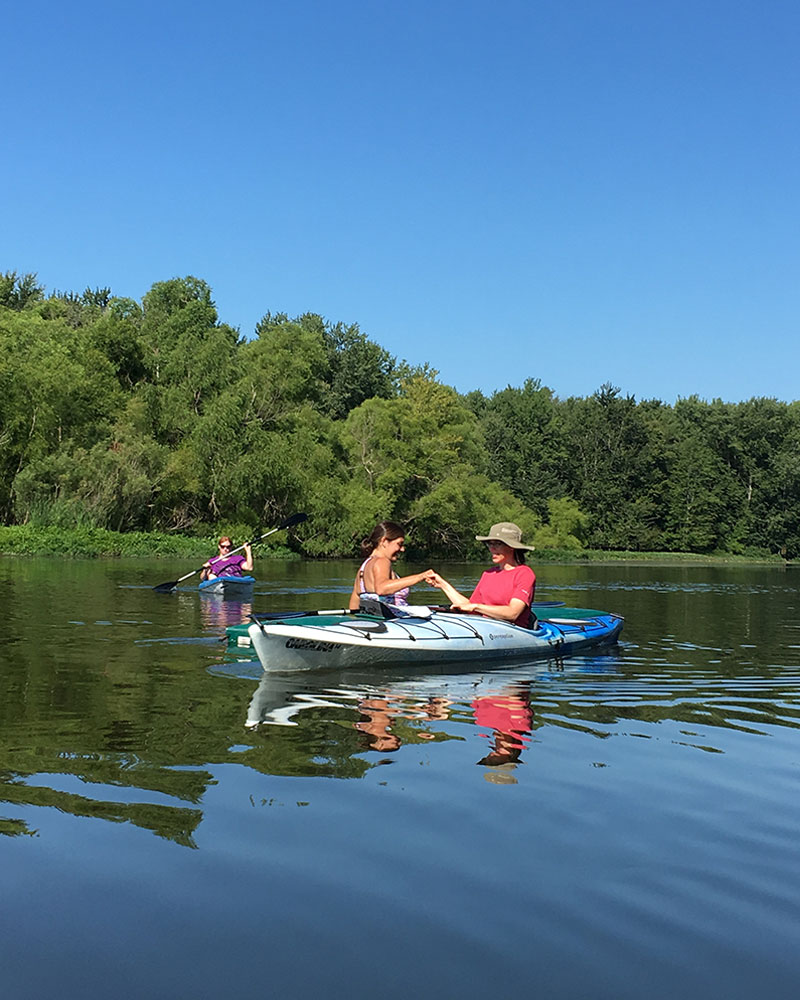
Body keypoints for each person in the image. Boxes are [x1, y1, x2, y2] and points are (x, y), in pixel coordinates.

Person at [429, 521, 536, 627]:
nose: (492, 548)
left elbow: (513, 613)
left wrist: (476, 607)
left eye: (498, 544)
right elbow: (469, 607)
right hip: (485, 628)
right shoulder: (488, 574)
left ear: (511, 547)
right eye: (490, 544)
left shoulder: (525, 574)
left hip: (513, 632)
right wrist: (443, 585)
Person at [349, 521, 435, 610]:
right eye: (399, 544)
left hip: (377, 620)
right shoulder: (382, 561)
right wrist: (421, 577)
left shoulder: (364, 566)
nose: (402, 549)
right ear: (384, 541)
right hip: (396, 620)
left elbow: (354, 602)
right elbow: (381, 588)